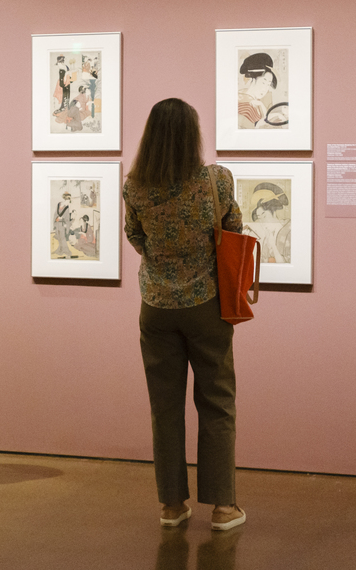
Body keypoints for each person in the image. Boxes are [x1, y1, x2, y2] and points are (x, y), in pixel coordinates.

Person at [123, 98, 246, 532]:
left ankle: (172, 506)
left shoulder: (134, 186)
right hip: (207, 305)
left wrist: (163, 263)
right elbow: (233, 232)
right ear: (192, 135)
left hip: (155, 307)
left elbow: (135, 237)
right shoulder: (216, 180)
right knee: (216, 402)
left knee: (165, 407)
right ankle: (223, 508)